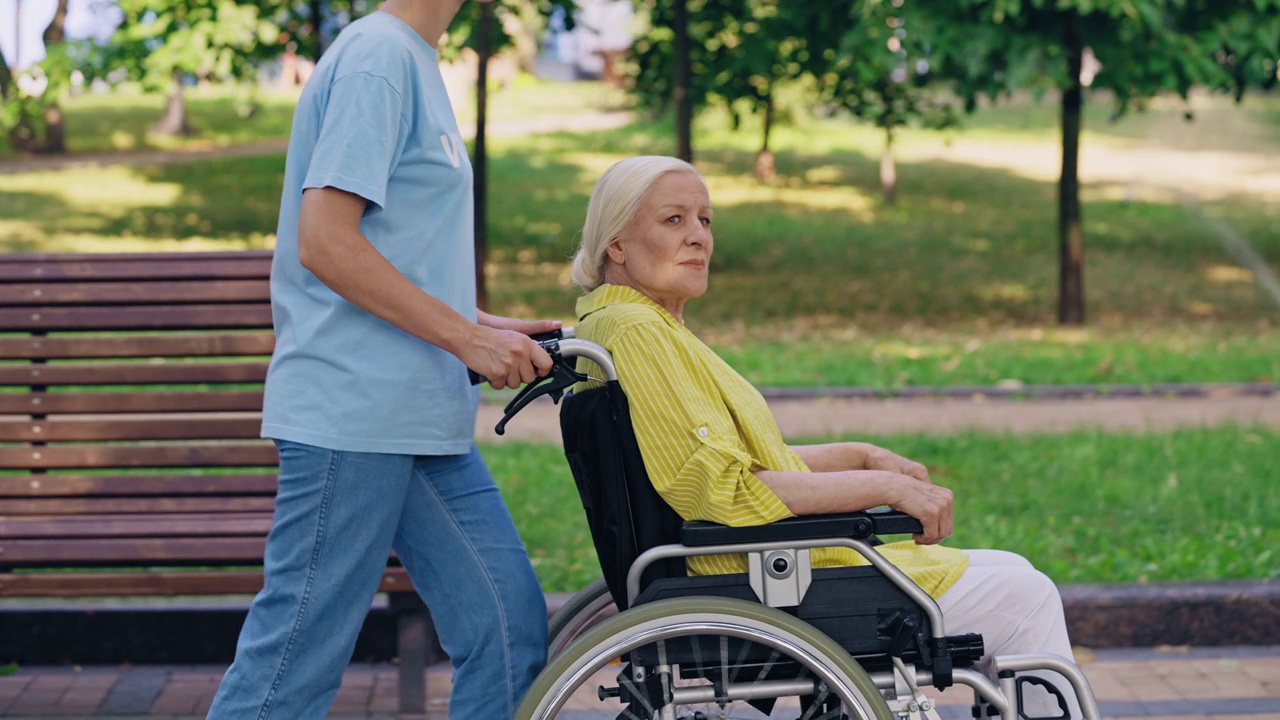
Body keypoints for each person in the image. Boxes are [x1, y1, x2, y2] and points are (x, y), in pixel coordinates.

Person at [568, 155, 1082, 718]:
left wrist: (861, 456)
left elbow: (745, 461)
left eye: (706, 221)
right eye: (674, 220)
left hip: (753, 569)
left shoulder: (627, 323)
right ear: (616, 244)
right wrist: (877, 485)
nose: (698, 237)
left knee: (1013, 569)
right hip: (753, 579)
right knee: (1027, 597)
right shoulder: (640, 333)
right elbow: (726, 488)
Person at [206, 2, 554, 718]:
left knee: (506, 628)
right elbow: (326, 243)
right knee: (289, 674)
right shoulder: (379, 60)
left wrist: (483, 325)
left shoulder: (412, 59)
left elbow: (393, 254)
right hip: (354, 418)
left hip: (417, 417)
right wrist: (468, 341)